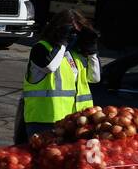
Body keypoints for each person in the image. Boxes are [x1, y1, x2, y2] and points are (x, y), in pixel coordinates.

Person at [17, 10, 99, 144]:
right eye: (70, 32)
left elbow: (95, 77)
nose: (73, 36)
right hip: (44, 121)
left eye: (76, 33)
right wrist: (61, 42)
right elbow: (50, 66)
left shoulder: (76, 54)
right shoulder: (41, 49)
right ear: (58, 30)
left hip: (74, 123)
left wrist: (92, 52)